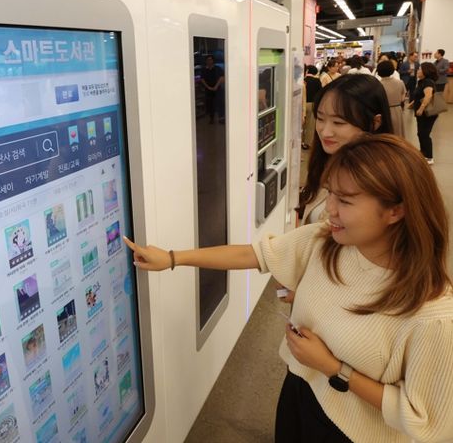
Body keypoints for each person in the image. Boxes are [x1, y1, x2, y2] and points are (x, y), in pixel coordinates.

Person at [124, 135, 453, 443]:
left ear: (396, 210)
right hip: (299, 389)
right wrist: (172, 258)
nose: (330, 209)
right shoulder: (325, 243)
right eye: (331, 193)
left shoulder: (432, 313)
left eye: (346, 200)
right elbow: (253, 255)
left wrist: (334, 369)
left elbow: (425, 420)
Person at [298, 74, 394, 226]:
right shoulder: (326, 161)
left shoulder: (379, 180)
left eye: (338, 122)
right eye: (320, 119)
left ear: (375, 122)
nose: (325, 132)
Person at [407, 61, 439, 164]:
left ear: (426, 71)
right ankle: (423, 153)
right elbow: (419, 95)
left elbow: (428, 96)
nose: (418, 71)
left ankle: (429, 157)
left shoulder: (428, 82)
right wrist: (412, 103)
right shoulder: (422, 81)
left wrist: (421, 108)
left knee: (424, 134)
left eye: (420, 69)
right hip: (422, 113)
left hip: (427, 113)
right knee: (420, 133)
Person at [376, 60, 406, 137]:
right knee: (397, 133)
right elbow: (403, 98)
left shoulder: (377, 84)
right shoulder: (400, 82)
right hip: (397, 110)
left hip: (383, 111)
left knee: (386, 134)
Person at [200, 55, 225, 124]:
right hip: (208, 89)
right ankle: (212, 119)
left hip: (217, 88)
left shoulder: (218, 68)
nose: (209, 61)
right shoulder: (204, 69)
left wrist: (216, 87)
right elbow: (202, 79)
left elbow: (222, 78)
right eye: (208, 60)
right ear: (206, 61)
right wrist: (208, 87)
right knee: (210, 104)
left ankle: (221, 118)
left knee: (220, 103)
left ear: (213, 60)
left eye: (210, 59)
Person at [302, 65, 322, 150]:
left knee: (300, 124)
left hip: (301, 104)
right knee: (310, 125)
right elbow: (320, 93)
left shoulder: (302, 81)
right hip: (311, 104)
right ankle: (306, 143)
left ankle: (299, 140)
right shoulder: (317, 81)